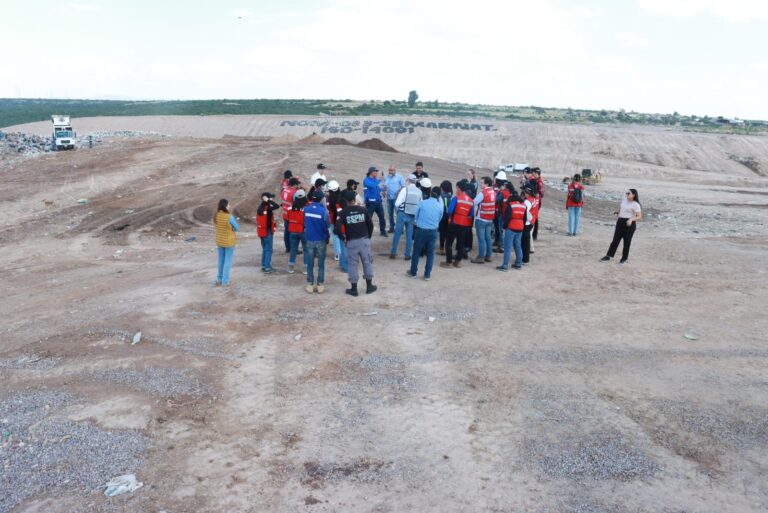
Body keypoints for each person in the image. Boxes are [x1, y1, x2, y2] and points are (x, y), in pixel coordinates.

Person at [335, 190, 377, 296]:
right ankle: (369, 286)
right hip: (364, 240)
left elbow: (337, 229)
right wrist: (368, 238)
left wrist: (343, 238)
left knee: (352, 264)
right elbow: (370, 225)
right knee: (367, 262)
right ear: (354, 200)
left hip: (352, 242)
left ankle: (354, 289)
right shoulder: (363, 210)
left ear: (346, 201)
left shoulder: (343, 213)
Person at [407, 185, 444, 281]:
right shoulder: (440, 206)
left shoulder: (422, 203)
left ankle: (413, 272)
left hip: (421, 230)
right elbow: (439, 218)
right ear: (439, 196)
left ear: (431, 193)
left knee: (416, 251)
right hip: (433, 231)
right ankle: (427, 274)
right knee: (430, 253)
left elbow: (416, 216)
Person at [601, 188, 642, 264]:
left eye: (628, 193)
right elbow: (621, 209)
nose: (627, 194)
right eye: (626, 193)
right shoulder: (624, 201)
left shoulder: (636, 204)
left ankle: (624, 259)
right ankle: (608, 256)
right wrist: (618, 213)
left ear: (633, 195)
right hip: (620, 222)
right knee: (615, 240)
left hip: (629, 224)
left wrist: (631, 219)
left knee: (626, 242)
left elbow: (639, 216)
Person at [441, 180, 474, 269]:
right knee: (460, 243)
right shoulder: (471, 200)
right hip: (464, 224)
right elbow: (471, 214)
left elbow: (450, 211)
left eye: (456, 188)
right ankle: (458, 261)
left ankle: (449, 262)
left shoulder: (456, 198)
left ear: (459, 188)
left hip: (454, 223)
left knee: (449, 242)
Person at [303, 190, 331, 293]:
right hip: (321, 240)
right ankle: (320, 285)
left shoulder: (305, 209)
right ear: (320, 199)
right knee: (321, 264)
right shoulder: (324, 211)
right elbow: (327, 224)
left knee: (310, 263)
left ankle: (310, 284)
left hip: (309, 239)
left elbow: (304, 223)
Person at [390, 174, 422, 260]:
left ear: (408, 180)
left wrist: (398, 210)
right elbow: (420, 205)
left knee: (397, 233)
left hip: (402, 213)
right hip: (412, 215)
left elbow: (397, 203)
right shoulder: (419, 191)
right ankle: (407, 255)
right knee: (409, 235)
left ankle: (393, 252)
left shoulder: (405, 189)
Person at [497, 191, 526, 271]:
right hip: (520, 227)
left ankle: (505, 265)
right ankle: (518, 263)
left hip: (511, 227)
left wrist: (504, 227)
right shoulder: (524, 205)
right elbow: (525, 218)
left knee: (508, 247)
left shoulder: (511, 205)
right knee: (518, 245)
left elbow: (507, 218)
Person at [471, 176, 496, 263]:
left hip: (481, 218)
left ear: (486, 184)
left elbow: (473, 203)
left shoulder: (483, 193)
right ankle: (488, 256)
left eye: (482, 183)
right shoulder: (493, 192)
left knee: (481, 239)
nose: (481, 184)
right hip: (490, 218)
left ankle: (481, 257)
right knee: (488, 238)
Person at [213, 198, 238, 286]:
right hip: (229, 242)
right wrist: (232, 228)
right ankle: (225, 281)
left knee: (220, 260)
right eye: (228, 205)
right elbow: (237, 227)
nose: (229, 206)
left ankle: (219, 279)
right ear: (225, 206)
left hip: (220, 241)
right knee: (227, 261)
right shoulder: (229, 217)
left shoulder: (216, 215)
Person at [255, 192, 280, 273]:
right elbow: (277, 206)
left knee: (265, 249)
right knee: (269, 249)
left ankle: (264, 265)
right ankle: (267, 267)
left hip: (261, 232)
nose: (272, 199)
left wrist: (267, 200)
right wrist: (269, 201)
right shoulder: (268, 208)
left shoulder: (260, 207)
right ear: (267, 199)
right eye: (270, 198)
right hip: (267, 231)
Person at [287, 189, 308, 274]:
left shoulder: (290, 208)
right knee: (306, 250)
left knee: (293, 250)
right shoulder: (306, 209)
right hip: (303, 231)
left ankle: (291, 267)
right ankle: (305, 268)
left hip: (292, 231)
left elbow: (288, 218)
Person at [363, 166, 387, 236]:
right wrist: (380, 180)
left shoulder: (375, 180)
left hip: (378, 202)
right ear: (371, 172)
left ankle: (383, 231)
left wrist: (383, 189)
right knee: (368, 217)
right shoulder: (366, 180)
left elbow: (377, 188)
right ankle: (366, 232)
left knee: (382, 217)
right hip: (370, 203)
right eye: (375, 171)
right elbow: (372, 186)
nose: (377, 173)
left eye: (377, 171)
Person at [327, 180, 345, 266]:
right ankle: (343, 253)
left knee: (335, 237)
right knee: (343, 235)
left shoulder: (329, 198)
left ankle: (337, 254)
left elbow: (328, 208)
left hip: (333, 220)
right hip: (341, 220)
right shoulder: (342, 198)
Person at [281, 177, 301, 253]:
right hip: (292, 215)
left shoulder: (284, 190)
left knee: (287, 232)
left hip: (285, 213)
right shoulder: (294, 193)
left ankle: (288, 248)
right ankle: (294, 249)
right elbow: (298, 204)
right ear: (294, 185)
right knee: (293, 233)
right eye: (297, 184)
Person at [383, 164, 405, 233]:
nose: (390, 171)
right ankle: (392, 228)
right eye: (389, 170)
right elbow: (385, 186)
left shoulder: (399, 177)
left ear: (395, 170)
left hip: (397, 198)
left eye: (391, 170)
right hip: (389, 198)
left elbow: (403, 187)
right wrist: (384, 191)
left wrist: (399, 192)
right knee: (390, 214)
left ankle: (400, 229)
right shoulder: (386, 177)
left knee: (398, 214)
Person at [521, 185, 537, 264]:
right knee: (526, 242)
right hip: (531, 222)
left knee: (524, 242)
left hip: (527, 223)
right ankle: (525, 259)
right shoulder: (533, 199)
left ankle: (525, 259)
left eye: (524, 191)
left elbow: (524, 213)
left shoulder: (527, 201)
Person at [437, 180, 453, 255]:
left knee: (442, 233)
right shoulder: (452, 197)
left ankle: (441, 248)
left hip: (442, 217)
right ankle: (447, 248)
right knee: (448, 233)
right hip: (450, 217)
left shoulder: (441, 197)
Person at [531, 168, 544, 241]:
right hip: (535, 201)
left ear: (537, 173)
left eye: (533, 173)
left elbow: (542, 194)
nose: (532, 174)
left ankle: (534, 235)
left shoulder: (539, 182)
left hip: (537, 201)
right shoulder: (536, 180)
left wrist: (536, 195)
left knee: (535, 218)